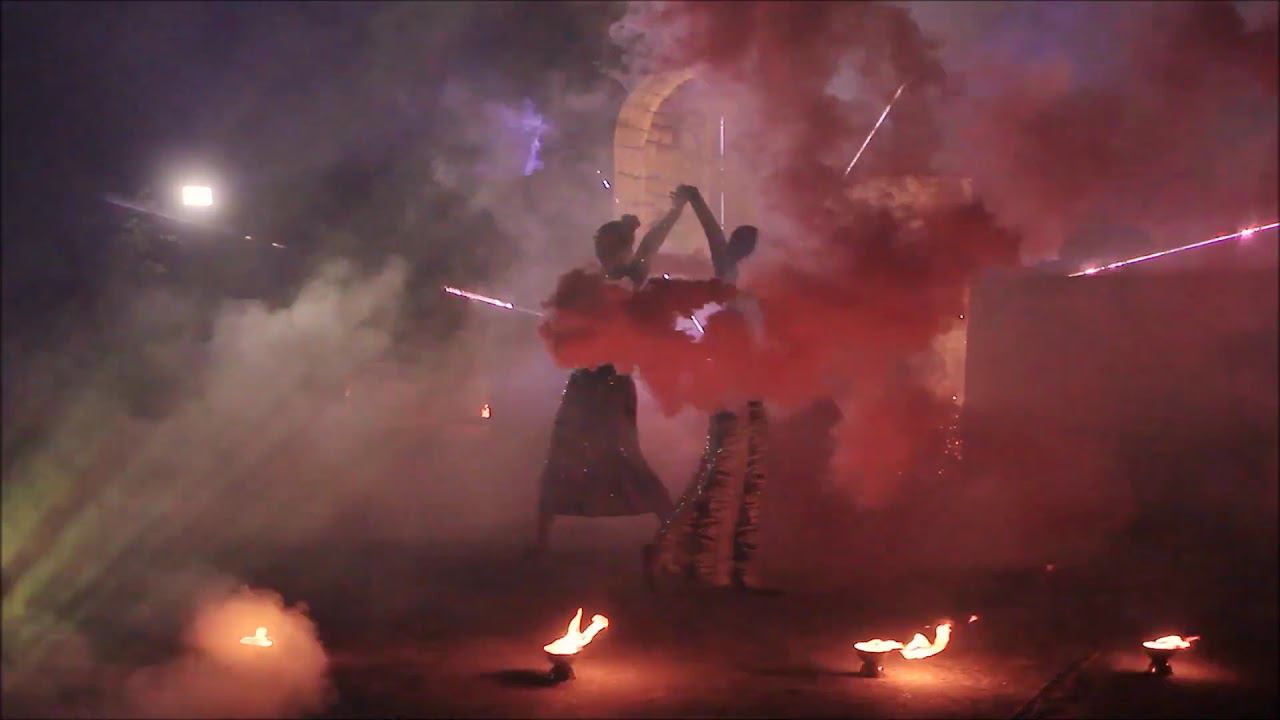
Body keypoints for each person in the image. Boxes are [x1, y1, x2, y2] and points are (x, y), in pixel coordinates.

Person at [530, 187, 693, 556]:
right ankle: (540, 540)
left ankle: (674, 533)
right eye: (598, 245)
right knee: (562, 451)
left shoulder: (633, 273)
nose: (600, 251)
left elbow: (652, 241)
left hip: (612, 382)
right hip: (584, 381)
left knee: (626, 455)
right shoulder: (591, 280)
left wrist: (677, 209)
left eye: (606, 245)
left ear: (620, 247)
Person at [645, 185, 774, 593]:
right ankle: (693, 561)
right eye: (743, 242)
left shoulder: (753, 292)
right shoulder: (727, 278)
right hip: (729, 393)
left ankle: (738, 568)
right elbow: (716, 239)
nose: (747, 248)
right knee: (722, 479)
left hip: (751, 391)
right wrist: (697, 202)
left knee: (751, 479)